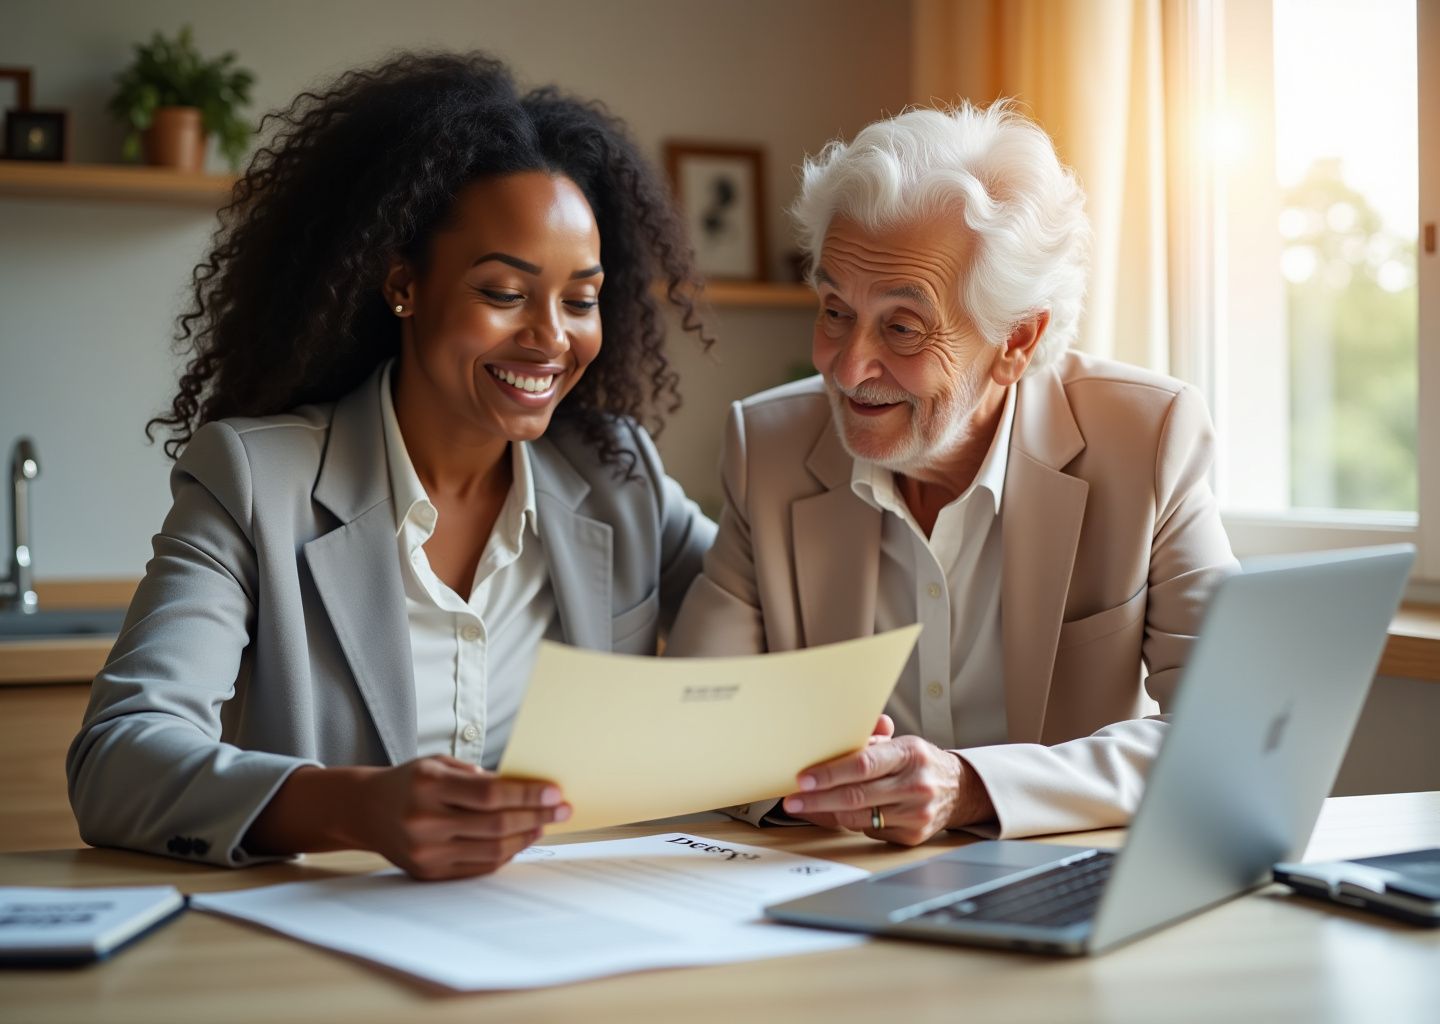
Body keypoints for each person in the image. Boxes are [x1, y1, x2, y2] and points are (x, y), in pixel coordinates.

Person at [67, 52, 716, 879]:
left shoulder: (621, 475)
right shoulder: (255, 483)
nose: (552, 337)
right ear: (404, 284)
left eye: (580, 299)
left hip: (569, 950)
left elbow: (763, 631)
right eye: (504, 293)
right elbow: (118, 760)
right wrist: (355, 806)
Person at [667, 101, 1237, 845]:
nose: (847, 365)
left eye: (902, 327)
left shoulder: (1147, 440)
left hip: (1060, 884)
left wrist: (972, 789)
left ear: (1017, 341)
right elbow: (695, 721)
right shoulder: (767, 446)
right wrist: (833, 793)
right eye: (835, 310)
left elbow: (1223, 734)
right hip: (836, 886)